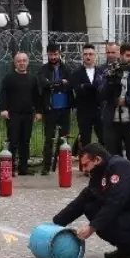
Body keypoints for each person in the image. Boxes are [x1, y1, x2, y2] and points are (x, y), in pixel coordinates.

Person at [52, 144, 130, 258]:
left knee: (104, 223)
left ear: (97, 159)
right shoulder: (99, 173)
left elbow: (116, 201)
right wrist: (56, 224)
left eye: (86, 165)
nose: (84, 170)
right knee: (91, 209)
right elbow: (84, 198)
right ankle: (129, 249)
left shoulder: (120, 166)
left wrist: (92, 227)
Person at [0, 52, 40, 176]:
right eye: (19, 61)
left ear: (28, 62)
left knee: (25, 141)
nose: (22, 63)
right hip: (13, 114)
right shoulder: (9, 78)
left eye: (24, 61)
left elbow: (37, 96)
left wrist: (38, 111)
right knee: (13, 141)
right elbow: (2, 94)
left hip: (28, 115)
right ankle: (9, 168)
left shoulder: (33, 78)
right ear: (15, 63)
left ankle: (23, 168)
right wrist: (3, 109)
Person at [36, 44, 73, 176]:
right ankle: (46, 166)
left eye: (55, 54)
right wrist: (59, 83)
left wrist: (53, 84)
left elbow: (70, 84)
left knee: (64, 139)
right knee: (49, 139)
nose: (53, 57)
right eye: (50, 55)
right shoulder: (43, 69)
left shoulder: (67, 68)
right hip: (50, 109)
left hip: (65, 108)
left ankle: (59, 164)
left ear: (60, 54)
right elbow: (43, 84)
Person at [71, 44, 104, 150]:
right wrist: (94, 86)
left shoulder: (101, 71)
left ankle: (104, 163)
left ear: (95, 56)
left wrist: (85, 86)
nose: (88, 56)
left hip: (99, 109)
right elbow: (78, 90)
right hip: (83, 110)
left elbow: (102, 89)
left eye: (90, 54)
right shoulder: (76, 73)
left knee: (103, 138)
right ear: (82, 56)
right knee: (85, 140)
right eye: (85, 54)